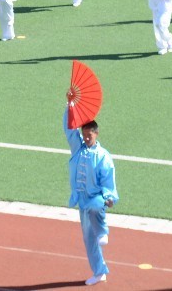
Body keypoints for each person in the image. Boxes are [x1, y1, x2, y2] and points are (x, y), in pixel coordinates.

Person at [63, 114, 118, 286]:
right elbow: (69, 130)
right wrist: (69, 106)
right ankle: (99, 271)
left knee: (96, 207)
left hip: (96, 197)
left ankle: (103, 230)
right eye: (84, 135)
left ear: (96, 134)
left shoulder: (102, 156)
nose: (86, 138)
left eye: (90, 135)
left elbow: (108, 177)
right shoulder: (78, 149)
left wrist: (109, 196)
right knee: (88, 239)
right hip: (81, 199)